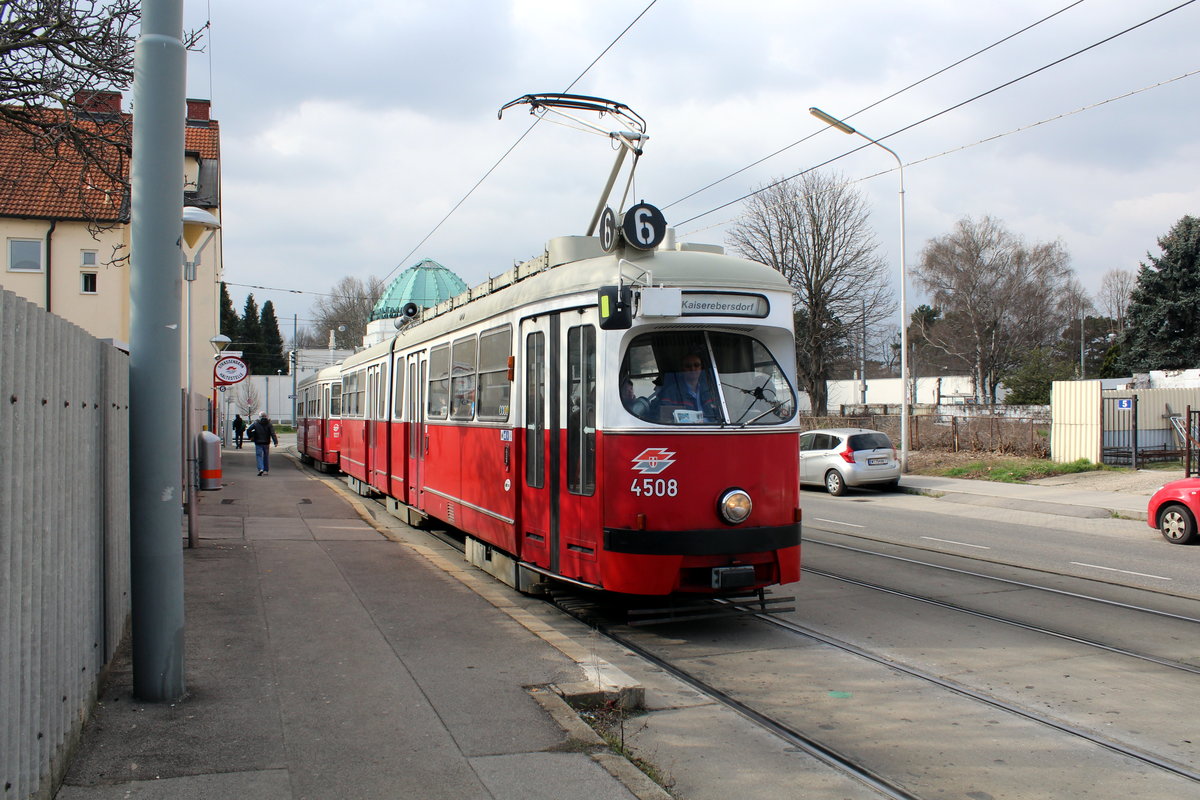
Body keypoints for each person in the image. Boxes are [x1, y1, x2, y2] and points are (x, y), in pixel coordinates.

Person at [650, 352, 721, 423]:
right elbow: (664, 417)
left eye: (696, 365)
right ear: (682, 369)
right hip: (686, 431)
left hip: (712, 428)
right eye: (688, 366)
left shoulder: (711, 390)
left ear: (701, 368)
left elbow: (719, 414)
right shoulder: (671, 391)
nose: (693, 368)